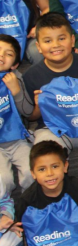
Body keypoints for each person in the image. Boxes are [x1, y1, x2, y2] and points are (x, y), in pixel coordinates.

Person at [23, 14, 78, 173]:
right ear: (38, 46)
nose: (55, 45)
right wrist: (37, 105)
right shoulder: (31, 76)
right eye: (48, 41)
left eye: (61, 38)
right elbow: (31, 117)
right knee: (42, 156)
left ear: (72, 40)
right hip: (53, 129)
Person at [0, 35, 33, 191]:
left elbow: (28, 112)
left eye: (9, 54)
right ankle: (6, 208)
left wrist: (16, 91)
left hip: (16, 139)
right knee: (4, 179)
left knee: (31, 172)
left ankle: (30, 202)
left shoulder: (16, 78)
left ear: (15, 65)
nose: (2, 55)